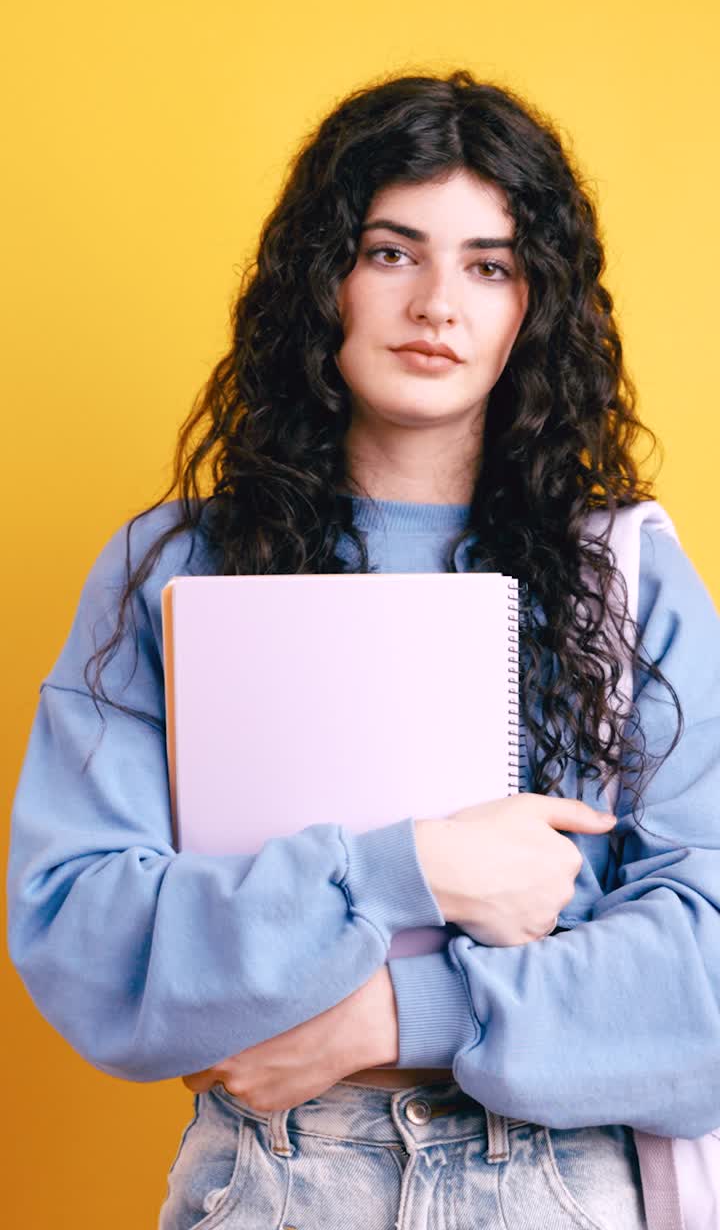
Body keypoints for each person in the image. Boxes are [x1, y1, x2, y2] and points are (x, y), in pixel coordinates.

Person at [7, 69, 720, 1230]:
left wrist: (388, 1014)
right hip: (274, 1173)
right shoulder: (175, 566)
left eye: (489, 264)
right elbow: (84, 940)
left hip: (555, 1176)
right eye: (392, 251)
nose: (439, 300)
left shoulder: (627, 576)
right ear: (322, 277)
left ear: (532, 306)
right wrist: (409, 869)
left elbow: (708, 973)